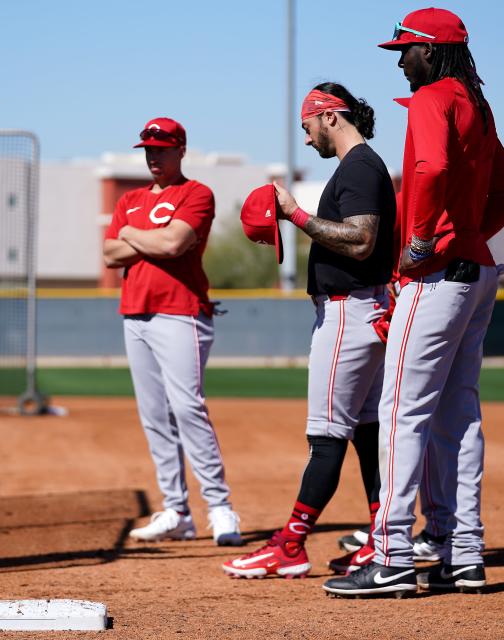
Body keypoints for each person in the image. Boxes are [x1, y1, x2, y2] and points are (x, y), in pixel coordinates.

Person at [323, 8, 504, 597]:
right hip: (477, 272)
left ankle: (390, 556)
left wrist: (421, 241)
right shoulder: (478, 104)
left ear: (431, 51)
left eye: (405, 50)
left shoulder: (436, 96)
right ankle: (461, 551)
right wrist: (465, 234)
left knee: (399, 410)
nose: (401, 60)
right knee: (457, 415)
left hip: (435, 275)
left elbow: (433, 165)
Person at [222, 83, 396, 578]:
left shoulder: (359, 166)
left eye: (307, 127)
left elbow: (362, 241)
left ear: (330, 117)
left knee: (326, 434)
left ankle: (291, 544)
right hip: (362, 309)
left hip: (348, 313)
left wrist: (294, 213)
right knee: (365, 430)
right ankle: (381, 535)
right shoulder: (363, 166)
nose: (306, 138)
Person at [103, 117, 243, 546]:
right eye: (147, 148)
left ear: (181, 150)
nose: (152, 155)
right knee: (155, 417)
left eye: (161, 148)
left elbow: (174, 244)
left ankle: (219, 507)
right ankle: (177, 511)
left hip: (181, 311)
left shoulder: (197, 193)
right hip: (136, 312)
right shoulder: (130, 198)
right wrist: (145, 235)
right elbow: (110, 255)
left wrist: (131, 233)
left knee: (187, 408)